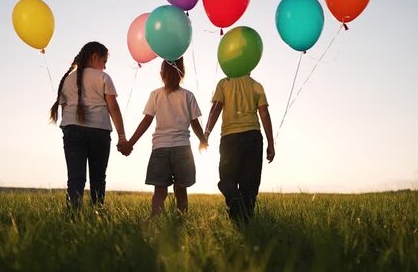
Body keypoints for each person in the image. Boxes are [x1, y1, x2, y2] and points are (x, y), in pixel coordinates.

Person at [119, 57, 206, 216]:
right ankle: (181, 222)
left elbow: (146, 121)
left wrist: (130, 143)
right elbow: (195, 123)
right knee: (181, 191)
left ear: (161, 73)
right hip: (183, 150)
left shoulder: (155, 95)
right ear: (182, 73)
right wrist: (203, 140)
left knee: (159, 192)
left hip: (160, 149)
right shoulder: (188, 96)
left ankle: (156, 224)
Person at [50, 41, 129, 209]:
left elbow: (65, 111)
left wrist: (71, 129)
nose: (105, 67)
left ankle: (73, 216)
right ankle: (97, 214)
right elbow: (113, 109)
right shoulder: (103, 78)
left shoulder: (67, 80)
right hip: (99, 132)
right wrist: (122, 136)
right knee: (98, 178)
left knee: (75, 178)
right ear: (95, 57)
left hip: (72, 131)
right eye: (104, 61)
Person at [203, 73, 275, 223]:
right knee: (250, 182)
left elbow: (215, 109)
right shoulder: (256, 85)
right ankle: (245, 219)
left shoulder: (223, 83)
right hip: (253, 137)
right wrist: (270, 143)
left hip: (230, 138)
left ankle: (235, 204)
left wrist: (206, 134)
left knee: (227, 178)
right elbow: (264, 113)